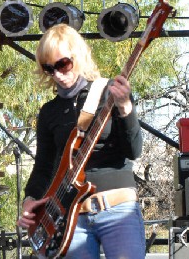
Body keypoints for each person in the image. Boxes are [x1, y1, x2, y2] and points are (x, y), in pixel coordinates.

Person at [17, 24, 145, 259]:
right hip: (71, 217)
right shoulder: (49, 112)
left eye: (62, 64)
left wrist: (126, 107)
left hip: (118, 209)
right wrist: (29, 199)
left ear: (78, 56)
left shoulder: (109, 92)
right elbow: (44, 167)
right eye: (49, 68)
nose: (57, 73)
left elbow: (134, 150)